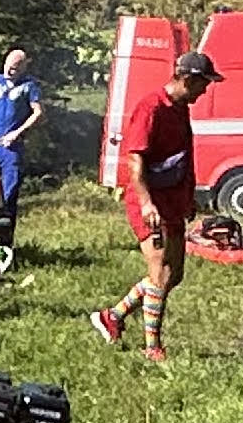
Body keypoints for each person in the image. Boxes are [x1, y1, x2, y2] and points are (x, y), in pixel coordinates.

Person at [92, 45, 217, 361]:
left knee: (173, 275)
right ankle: (152, 348)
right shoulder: (151, 108)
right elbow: (136, 162)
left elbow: (183, 158)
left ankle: (114, 316)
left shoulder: (179, 108)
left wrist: (188, 199)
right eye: (203, 84)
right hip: (150, 203)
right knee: (159, 272)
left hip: (173, 201)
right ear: (188, 79)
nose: (205, 91)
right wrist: (147, 205)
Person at [0, 48, 44, 222]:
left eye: (14, 68)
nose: (9, 70)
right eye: (7, 65)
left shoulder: (28, 86)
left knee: (9, 195)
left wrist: (17, 133)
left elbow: (37, 113)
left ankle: (5, 241)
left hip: (12, 149)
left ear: (23, 68)